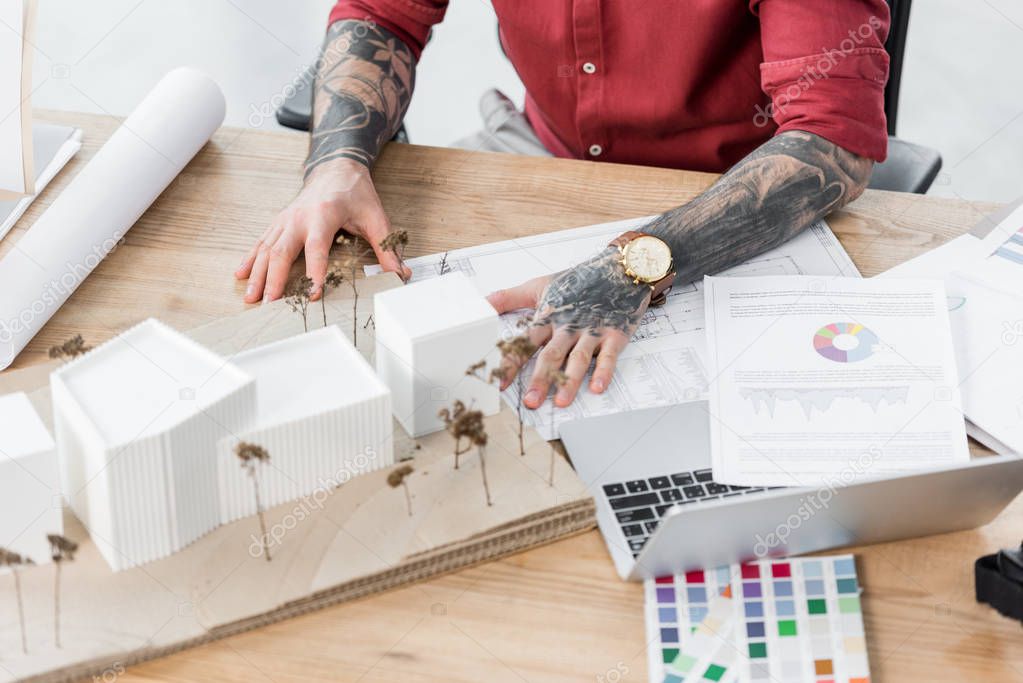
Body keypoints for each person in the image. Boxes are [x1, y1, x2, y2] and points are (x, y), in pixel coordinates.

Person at [235, 1, 890, 409]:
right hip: (542, 151)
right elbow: (381, 14)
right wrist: (335, 164)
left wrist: (631, 267)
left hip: (730, 196)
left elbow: (829, 142)